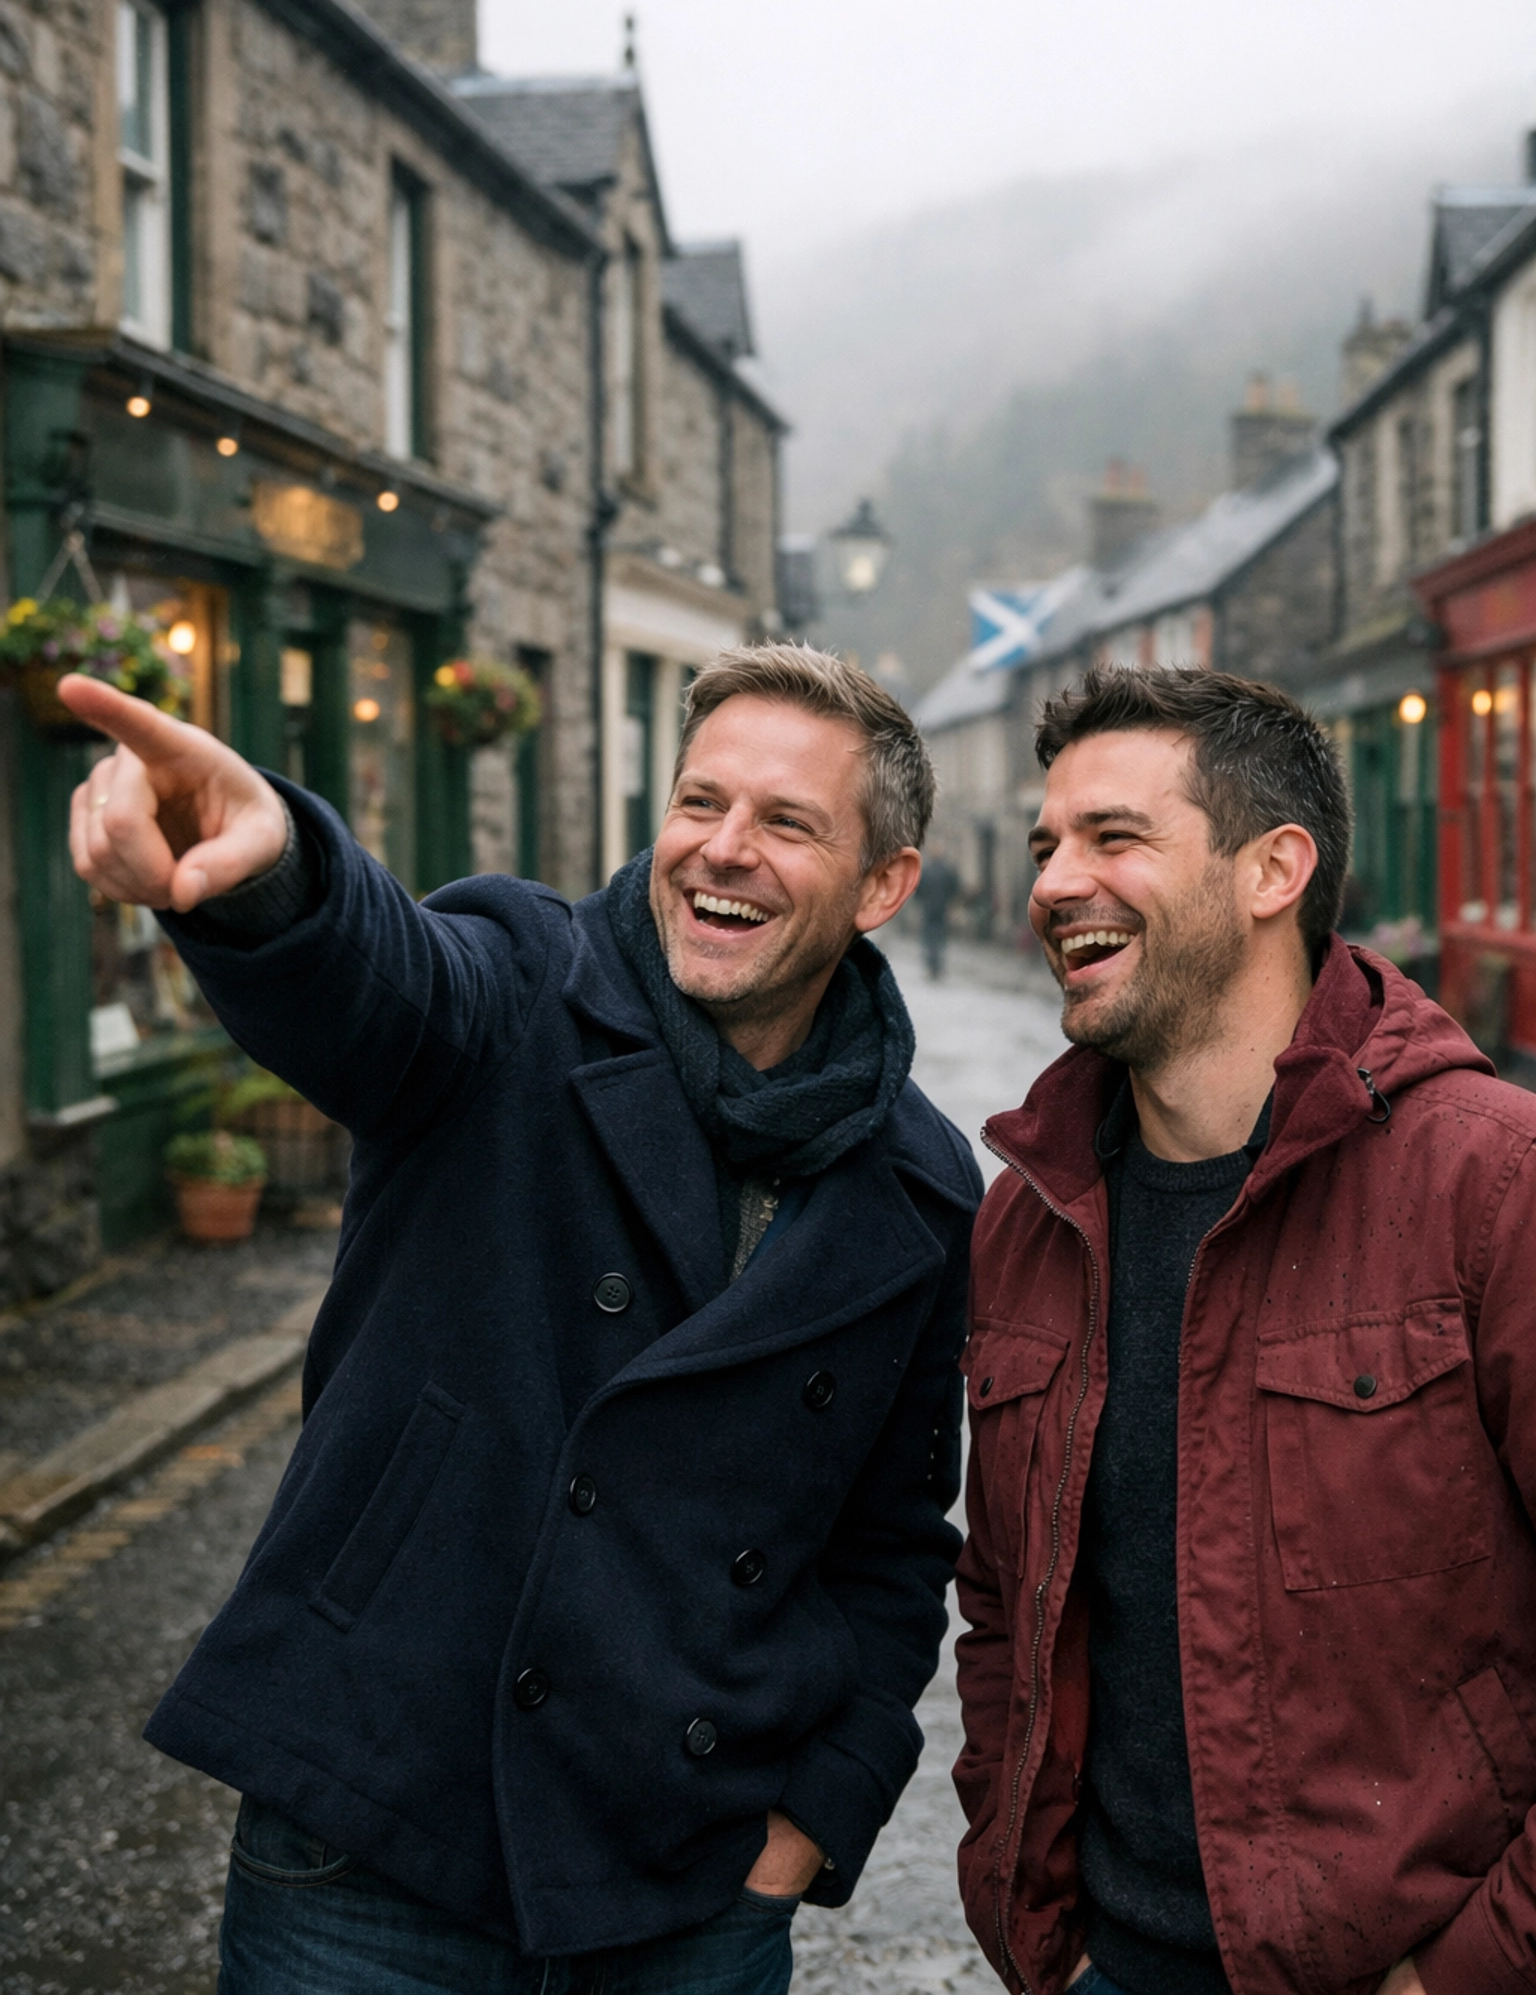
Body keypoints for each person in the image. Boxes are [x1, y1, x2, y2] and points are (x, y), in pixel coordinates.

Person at [61, 643, 980, 1995]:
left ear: (884, 885)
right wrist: (271, 878)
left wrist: (815, 1812)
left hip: (687, 1877)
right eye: (698, 801)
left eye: (787, 822)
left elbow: (895, 1547)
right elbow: (381, 982)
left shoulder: (918, 1184)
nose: (721, 851)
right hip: (375, 1847)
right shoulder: (519, 986)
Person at [952, 663, 1536, 1995]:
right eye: (1048, 844)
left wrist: (1472, 1974)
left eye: (1113, 837)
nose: (1048, 882)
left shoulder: (1494, 1188)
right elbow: (1001, 1606)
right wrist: (1035, 1914)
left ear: (1273, 870)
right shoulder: (1029, 1221)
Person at [915, 848, 962, 980]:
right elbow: (955, 888)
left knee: (929, 937)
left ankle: (931, 964)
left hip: (928, 908)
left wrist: (921, 901)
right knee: (940, 937)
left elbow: (918, 888)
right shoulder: (947, 871)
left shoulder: (926, 871)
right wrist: (950, 902)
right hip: (942, 908)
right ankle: (938, 965)